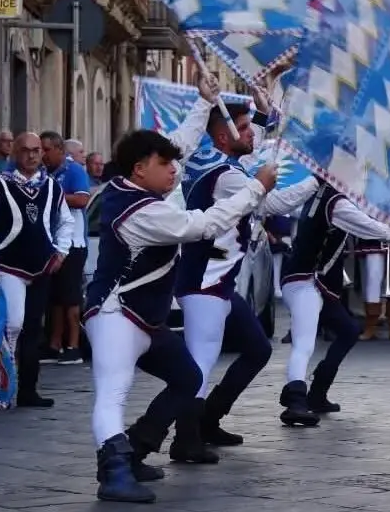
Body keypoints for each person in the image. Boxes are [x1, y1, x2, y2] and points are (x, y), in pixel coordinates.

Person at [84, 129, 278, 503]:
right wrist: (256, 188)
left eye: (173, 163)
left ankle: (137, 447)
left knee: (188, 377)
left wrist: (204, 105)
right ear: (140, 169)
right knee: (112, 394)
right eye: (165, 164)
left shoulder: (136, 190)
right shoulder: (141, 211)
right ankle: (114, 472)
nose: (175, 169)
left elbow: (182, 145)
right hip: (115, 315)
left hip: (143, 317)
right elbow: (202, 226)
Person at [173, 90, 319, 460]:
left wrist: (262, 116)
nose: (251, 134)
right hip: (203, 281)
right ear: (223, 137)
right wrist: (317, 180)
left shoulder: (223, 165)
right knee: (201, 362)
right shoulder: (225, 177)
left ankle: (209, 419)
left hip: (217, 283)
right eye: (242, 128)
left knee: (257, 348)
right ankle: (185, 439)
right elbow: (271, 202)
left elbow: (251, 153)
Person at [277, 181, 390, 426]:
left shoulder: (319, 194)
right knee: (304, 343)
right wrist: (389, 233)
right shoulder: (335, 201)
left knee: (348, 330)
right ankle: (296, 402)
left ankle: (317, 393)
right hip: (305, 282)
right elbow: (367, 226)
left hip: (314, 283)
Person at [0, 132, 75, 407]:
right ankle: (1, 387)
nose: (31, 155)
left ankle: (28, 390)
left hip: (42, 266)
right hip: (9, 266)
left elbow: (65, 221)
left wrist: (62, 251)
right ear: (14, 153)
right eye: (25, 150)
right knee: (12, 325)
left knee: (34, 329)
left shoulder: (52, 186)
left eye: (36, 150)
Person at [39, 131, 92, 365]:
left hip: (72, 243)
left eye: (46, 150)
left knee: (71, 298)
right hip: (52, 241)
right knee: (56, 298)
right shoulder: (44, 173)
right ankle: (54, 345)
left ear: (60, 150)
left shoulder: (73, 171)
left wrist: (51, 195)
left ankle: (73, 346)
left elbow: (82, 199)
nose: (42, 155)